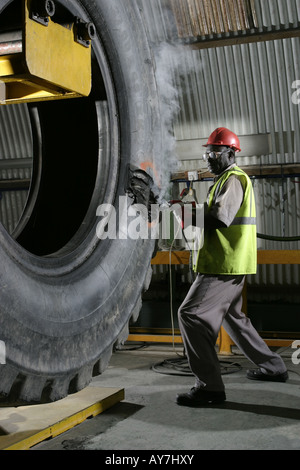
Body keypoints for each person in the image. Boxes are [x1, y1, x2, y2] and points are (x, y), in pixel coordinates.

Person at [176, 127, 288, 407]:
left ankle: (209, 388)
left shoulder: (234, 179)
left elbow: (220, 219)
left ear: (231, 152)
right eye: (208, 151)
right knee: (233, 318)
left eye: (215, 151)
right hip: (228, 262)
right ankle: (273, 367)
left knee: (190, 315)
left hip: (224, 265)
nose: (209, 157)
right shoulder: (224, 180)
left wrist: (183, 212)